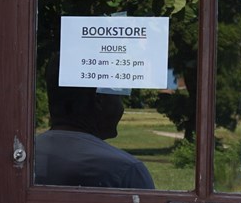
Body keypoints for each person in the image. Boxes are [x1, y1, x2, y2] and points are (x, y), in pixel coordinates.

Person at [34, 58, 155, 189]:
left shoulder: (23, 159)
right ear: (100, 100)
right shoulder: (125, 171)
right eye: (118, 97)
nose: (122, 107)